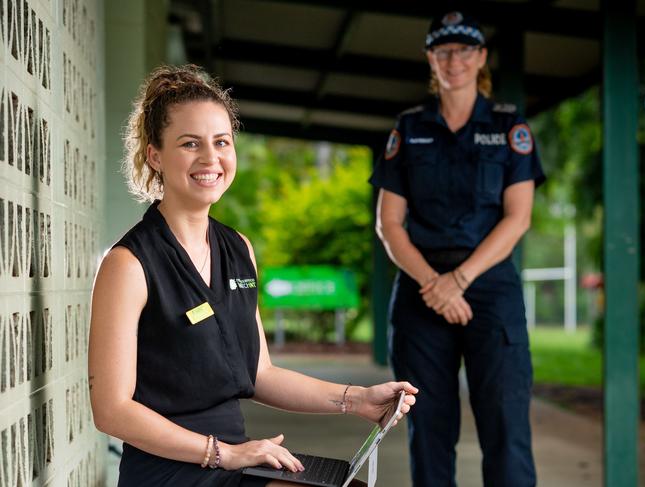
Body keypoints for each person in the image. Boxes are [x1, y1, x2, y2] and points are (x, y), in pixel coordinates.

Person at [88, 64, 417, 487]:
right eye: (190, 144)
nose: (211, 158)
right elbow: (110, 409)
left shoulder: (238, 249)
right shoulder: (128, 264)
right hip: (170, 469)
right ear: (155, 155)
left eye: (221, 142)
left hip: (238, 460)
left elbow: (260, 373)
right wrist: (223, 454)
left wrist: (358, 400)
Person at [369, 10, 545, 487]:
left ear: (481, 57)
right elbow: (389, 223)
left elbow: (518, 217)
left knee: (506, 426)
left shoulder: (510, 127)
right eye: (443, 51)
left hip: (489, 288)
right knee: (428, 429)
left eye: (464, 50)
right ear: (431, 58)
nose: (454, 61)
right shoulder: (408, 128)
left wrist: (459, 282)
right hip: (421, 292)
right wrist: (434, 284)